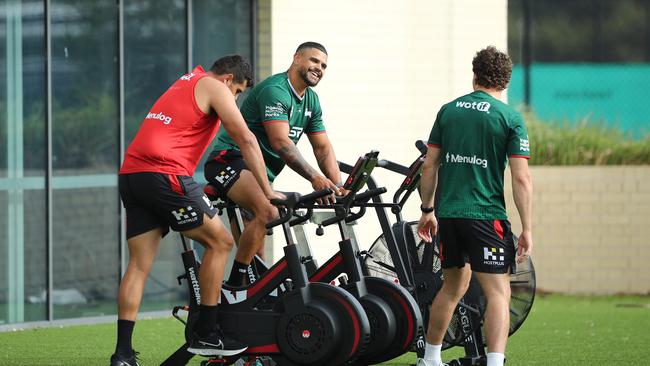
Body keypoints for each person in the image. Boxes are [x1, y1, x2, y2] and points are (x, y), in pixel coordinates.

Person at [111, 55, 281, 366]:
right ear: (228, 80)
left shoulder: (185, 81)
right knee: (221, 242)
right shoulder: (215, 87)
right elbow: (245, 138)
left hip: (132, 175)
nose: (236, 98)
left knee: (137, 266)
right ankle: (207, 331)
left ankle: (122, 355)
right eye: (238, 92)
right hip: (165, 174)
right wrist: (267, 191)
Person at [416, 46, 533, 366]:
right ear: (505, 81)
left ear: (475, 74)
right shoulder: (509, 117)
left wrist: (427, 210)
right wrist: (527, 228)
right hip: (486, 219)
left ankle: (429, 359)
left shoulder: (448, 111)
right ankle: (494, 363)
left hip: (449, 216)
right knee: (498, 292)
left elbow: (430, 165)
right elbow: (521, 180)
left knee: (452, 287)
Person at [204, 42, 344, 286]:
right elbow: (281, 143)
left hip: (259, 174)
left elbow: (322, 148)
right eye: (313, 61)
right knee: (268, 212)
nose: (318, 68)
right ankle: (237, 286)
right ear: (296, 58)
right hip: (229, 159)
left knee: (258, 246)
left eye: (323, 65)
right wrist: (314, 177)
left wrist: (337, 186)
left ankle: (255, 295)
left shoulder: (311, 101)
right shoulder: (275, 90)